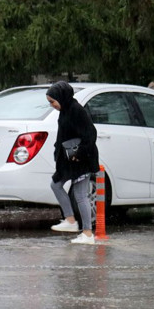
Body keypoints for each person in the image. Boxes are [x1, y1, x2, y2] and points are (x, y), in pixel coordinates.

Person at [46, 81, 100, 245]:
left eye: (52, 101)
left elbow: (91, 134)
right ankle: (70, 220)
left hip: (81, 159)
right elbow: (63, 135)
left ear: (61, 97)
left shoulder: (76, 110)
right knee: (55, 185)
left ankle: (87, 233)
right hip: (69, 160)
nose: (52, 105)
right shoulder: (65, 111)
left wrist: (80, 153)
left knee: (80, 195)